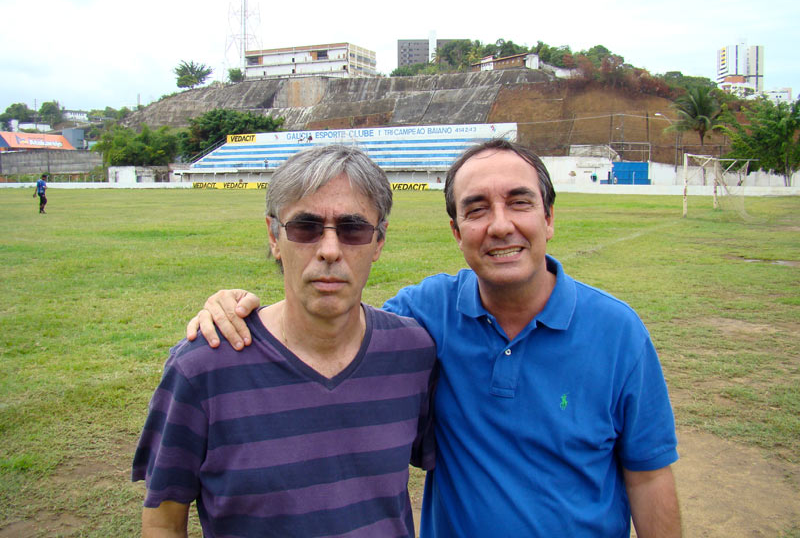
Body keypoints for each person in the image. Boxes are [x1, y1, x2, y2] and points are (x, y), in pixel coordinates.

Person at [189, 139, 681, 537]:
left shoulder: (618, 332)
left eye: (519, 202)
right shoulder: (425, 316)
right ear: (456, 229)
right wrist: (233, 306)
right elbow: (338, 326)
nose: (500, 225)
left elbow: (649, 475)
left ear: (549, 218)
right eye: (476, 209)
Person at [133, 144, 436, 537]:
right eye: (305, 228)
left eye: (353, 229)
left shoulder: (413, 354)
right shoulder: (202, 367)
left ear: (378, 242)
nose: (329, 250)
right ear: (275, 237)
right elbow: (162, 523)